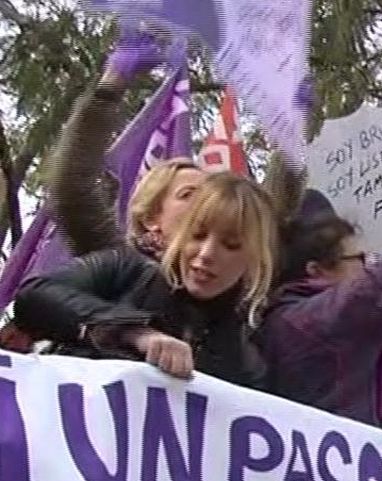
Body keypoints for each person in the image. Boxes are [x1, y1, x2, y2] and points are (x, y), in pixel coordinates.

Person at [0, 30, 303, 352]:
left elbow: (270, 215)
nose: (208, 204)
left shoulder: (235, 303)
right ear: (150, 219)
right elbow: (74, 187)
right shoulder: (121, 266)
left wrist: (291, 133)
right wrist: (110, 87)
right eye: (190, 195)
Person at [257, 100, 382, 436]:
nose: (372, 267)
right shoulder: (317, 318)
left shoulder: (301, 318)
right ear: (317, 271)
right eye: (360, 259)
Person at [13, 172, 277, 388]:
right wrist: (132, 331)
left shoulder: (245, 363)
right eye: (198, 235)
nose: (206, 254)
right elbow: (34, 296)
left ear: (255, 260)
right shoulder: (125, 270)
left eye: (230, 245)